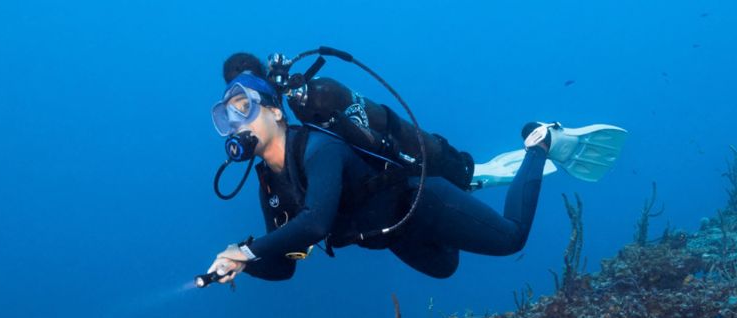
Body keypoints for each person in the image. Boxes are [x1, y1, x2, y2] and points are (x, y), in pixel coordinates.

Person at [204, 53, 609, 284]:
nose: (237, 124)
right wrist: (241, 264)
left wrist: (248, 249)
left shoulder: (317, 148)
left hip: (420, 200)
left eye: (244, 109)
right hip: (394, 233)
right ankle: (468, 190)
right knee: (444, 268)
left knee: (510, 240)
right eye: (228, 117)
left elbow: (314, 225)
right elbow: (284, 265)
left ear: (275, 110)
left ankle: (539, 142)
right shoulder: (270, 184)